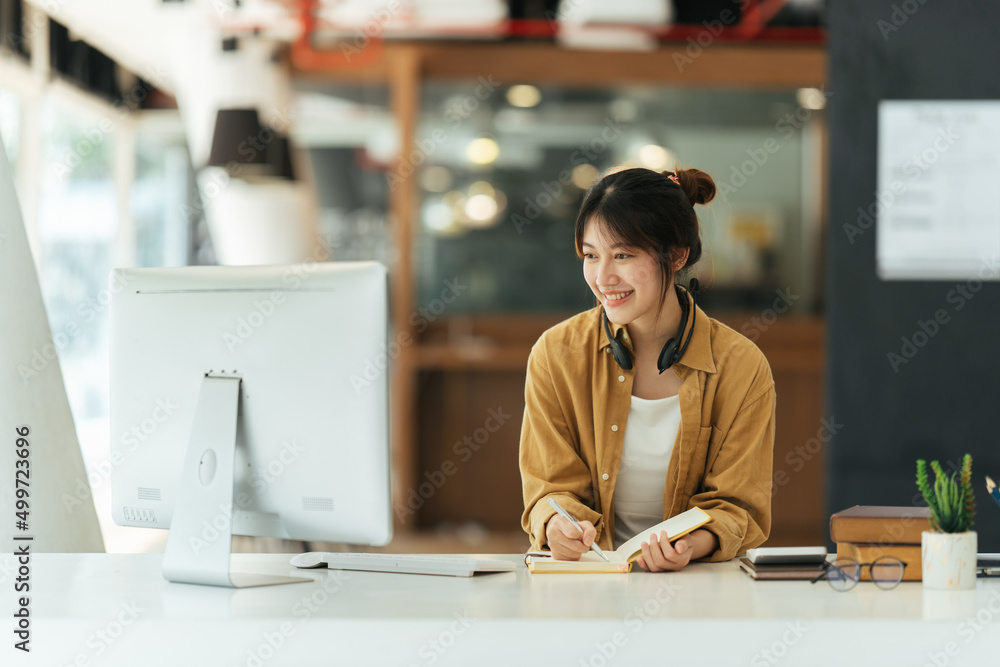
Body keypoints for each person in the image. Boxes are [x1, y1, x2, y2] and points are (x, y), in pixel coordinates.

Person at [519, 166, 775, 572]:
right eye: (590, 255)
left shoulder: (741, 367)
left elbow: (739, 505)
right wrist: (555, 525)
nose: (603, 278)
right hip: (590, 582)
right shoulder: (556, 354)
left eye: (622, 254)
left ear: (675, 255)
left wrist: (692, 544)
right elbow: (550, 488)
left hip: (698, 586)